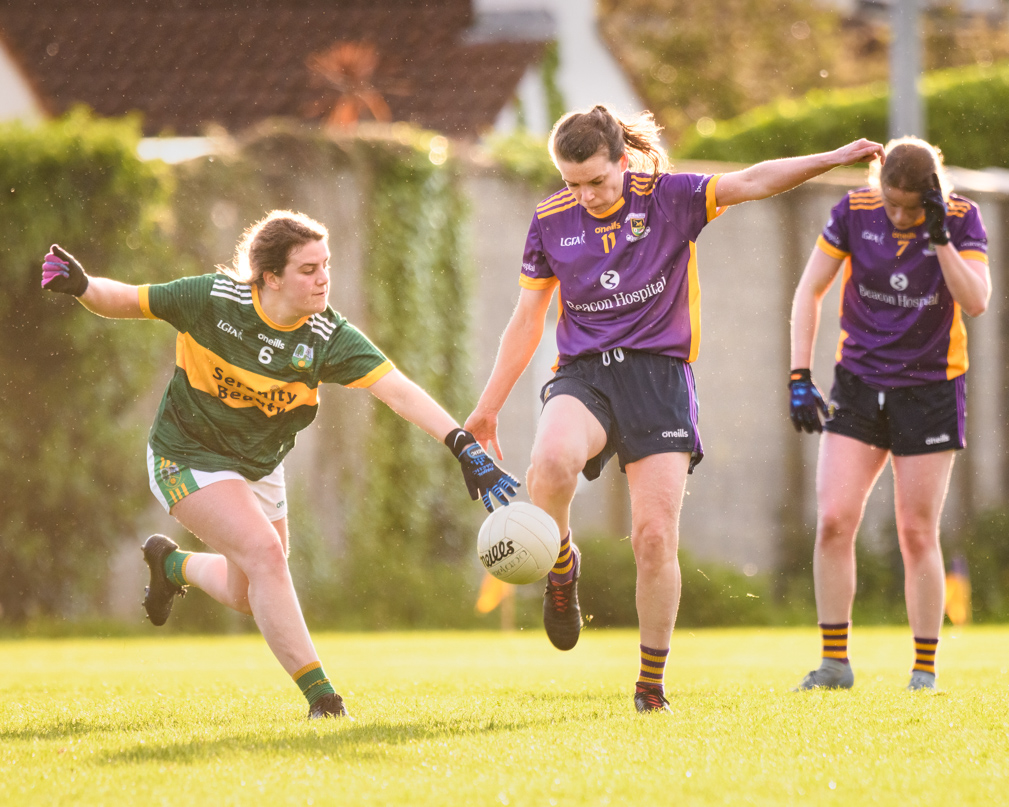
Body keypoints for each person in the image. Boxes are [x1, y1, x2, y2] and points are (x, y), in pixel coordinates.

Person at [463, 103, 885, 713]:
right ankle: (561, 563)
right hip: (584, 375)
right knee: (548, 467)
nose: (583, 195)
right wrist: (487, 408)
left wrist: (833, 158)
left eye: (596, 181)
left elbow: (754, 179)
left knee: (654, 537)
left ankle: (650, 685)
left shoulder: (670, 197)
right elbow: (528, 319)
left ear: (623, 161)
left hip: (659, 379)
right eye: (571, 182)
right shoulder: (551, 219)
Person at [41, 210, 519, 719]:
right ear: (270, 277)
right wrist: (84, 285)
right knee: (266, 555)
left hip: (260, 465)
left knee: (248, 592)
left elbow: (396, 390)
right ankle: (324, 700)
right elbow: (130, 299)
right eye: (308, 269)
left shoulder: (326, 336)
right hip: (186, 455)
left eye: (326, 265)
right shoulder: (211, 299)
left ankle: (172, 564)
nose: (323, 278)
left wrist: (461, 443)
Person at [788, 136, 990, 692]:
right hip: (857, 383)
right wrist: (799, 375)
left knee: (916, 531)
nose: (898, 216)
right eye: (891, 204)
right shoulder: (854, 212)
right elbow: (810, 291)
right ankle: (834, 663)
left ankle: (924, 668)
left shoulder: (961, 218)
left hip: (930, 390)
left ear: (930, 195)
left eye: (909, 206)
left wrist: (940, 240)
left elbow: (976, 301)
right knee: (833, 520)